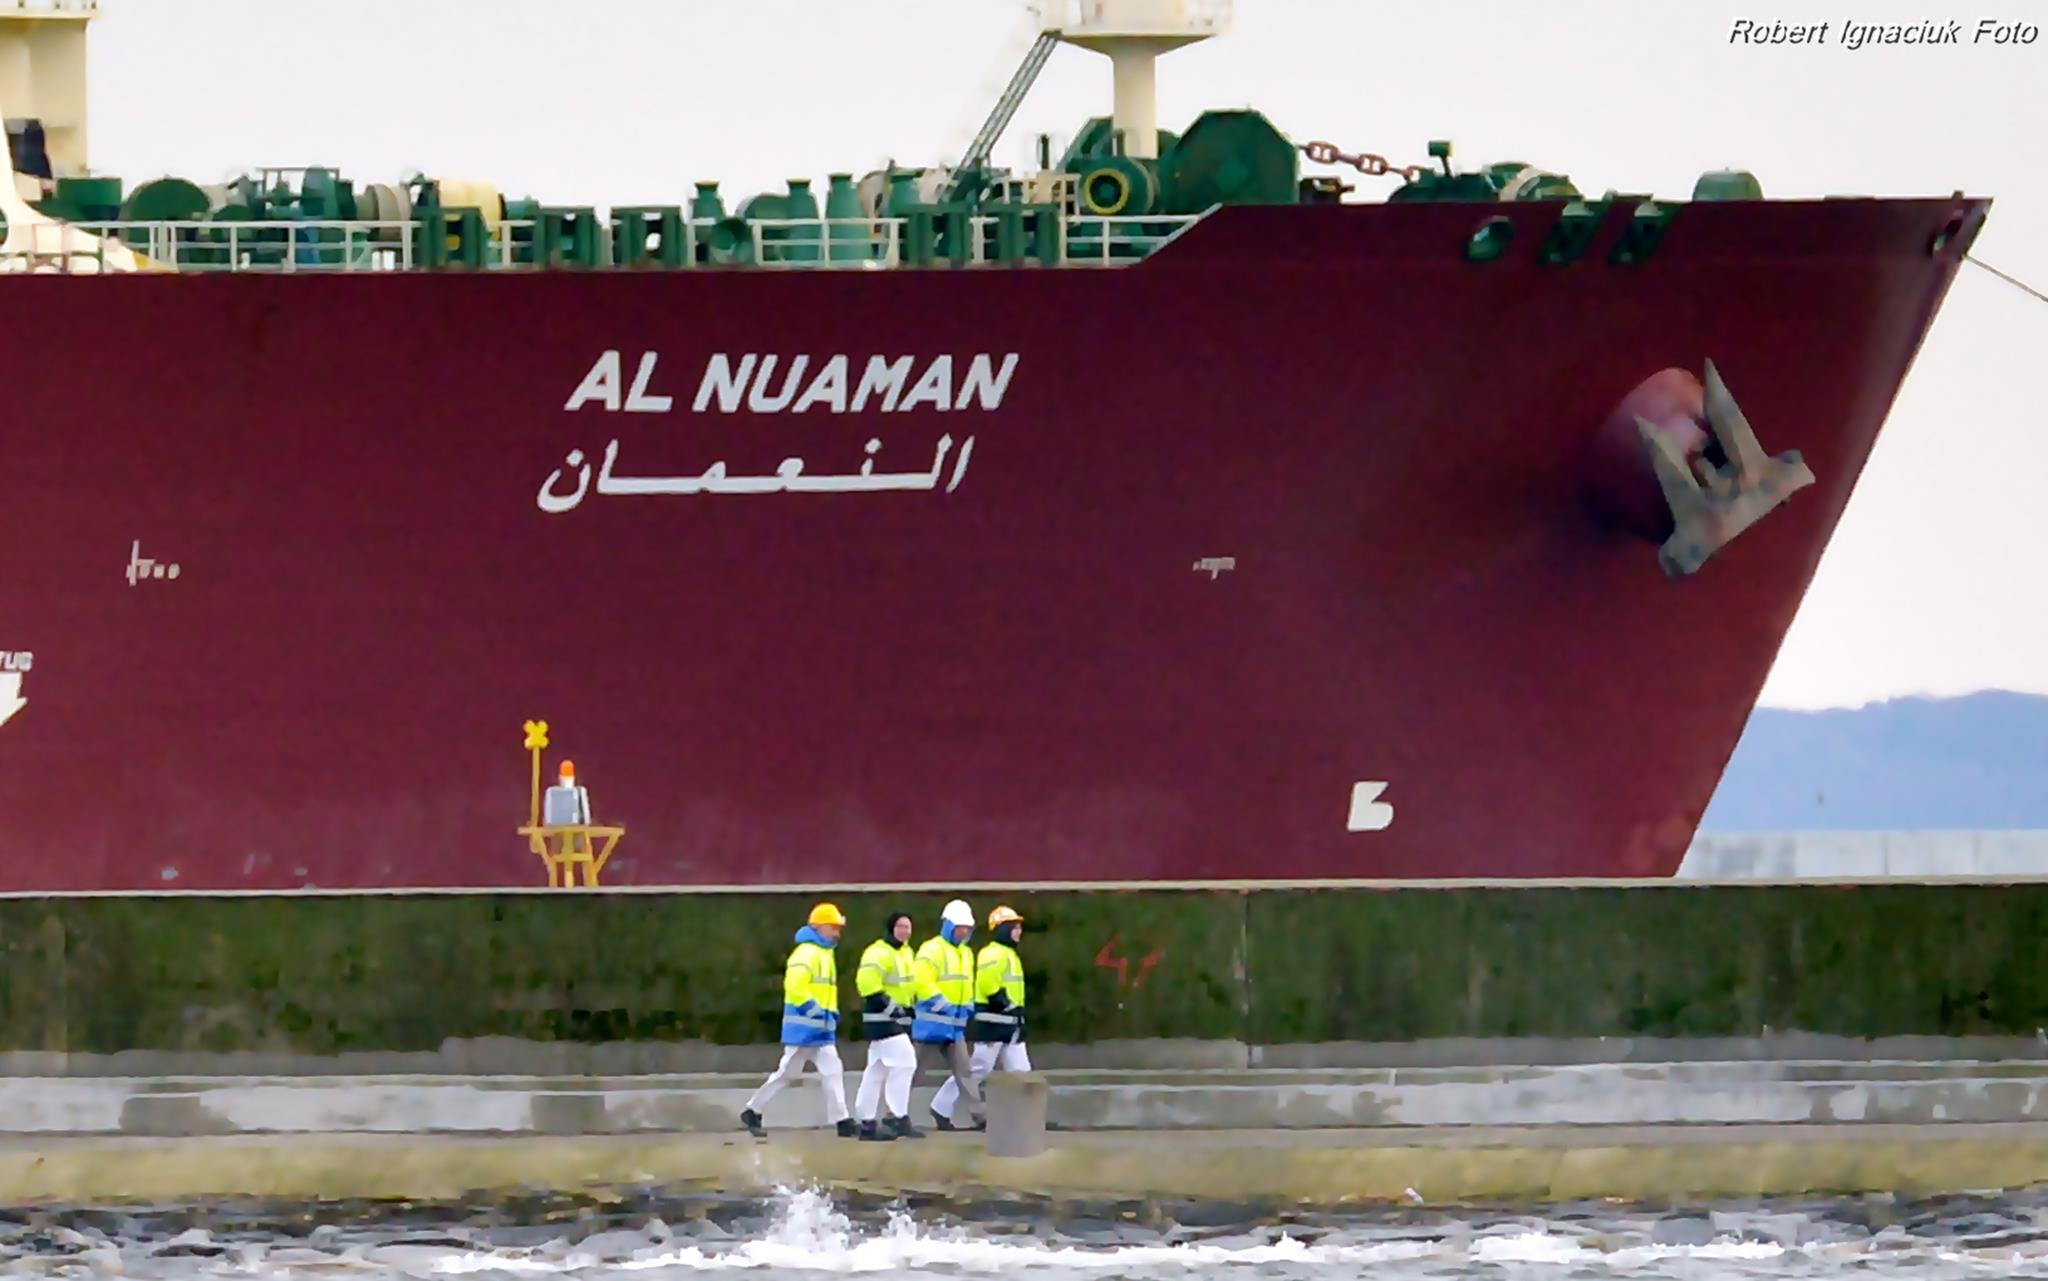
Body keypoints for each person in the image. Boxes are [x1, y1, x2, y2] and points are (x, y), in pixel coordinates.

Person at [740, 902, 856, 1139]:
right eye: (833, 927)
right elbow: (795, 987)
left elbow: (823, 991)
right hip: (806, 1027)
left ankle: (842, 1120)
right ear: (819, 927)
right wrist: (816, 1011)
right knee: (789, 1073)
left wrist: (829, 1014)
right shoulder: (807, 953)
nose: (837, 932)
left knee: (832, 1071)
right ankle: (753, 1109)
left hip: (818, 1027)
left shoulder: (822, 953)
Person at [852, 910, 923, 1141]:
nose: (905, 931)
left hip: (894, 1020)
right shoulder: (878, 952)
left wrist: (908, 1009)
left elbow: (907, 986)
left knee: (876, 1071)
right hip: (883, 1019)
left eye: (908, 926)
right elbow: (867, 986)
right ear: (891, 928)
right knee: (906, 1063)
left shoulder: (906, 953)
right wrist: (893, 1009)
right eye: (901, 926)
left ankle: (867, 1122)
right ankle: (897, 1117)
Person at [917, 898, 986, 1130]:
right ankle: (893, 1114)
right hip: (930, 1026)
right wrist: (941, 1003)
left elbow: (967, 984)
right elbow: (922, 981)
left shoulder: (966, 953)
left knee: (965, 1073)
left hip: (955, 1027)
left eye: (967, 928)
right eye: (960, 928)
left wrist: (968, 1005)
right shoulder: (931, 949)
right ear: (948, 926)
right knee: (912, 1072)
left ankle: (981, 1117)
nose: (964, 932)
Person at [965, 905, 1036, 1100]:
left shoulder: (1009, 954)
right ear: (1003, 929)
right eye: (1015, 927)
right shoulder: (993, 953)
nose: (1019, 932)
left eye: (1019, 928)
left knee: (1022, 1074)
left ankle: (1028, 1112)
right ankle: (943, 1107)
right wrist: (1006, 1004)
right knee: (978, 1071)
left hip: (1010, 1026)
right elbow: (988, 985)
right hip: (993, 1026)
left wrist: (1017, 1016)